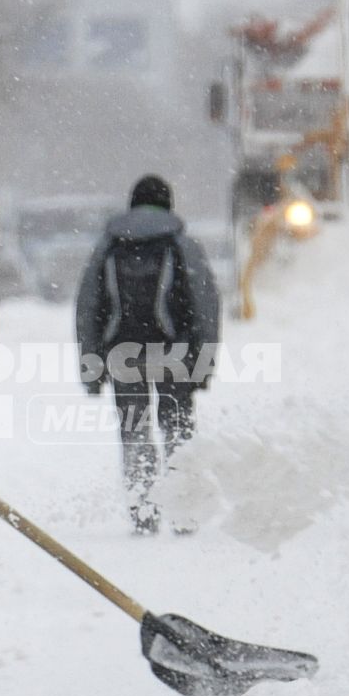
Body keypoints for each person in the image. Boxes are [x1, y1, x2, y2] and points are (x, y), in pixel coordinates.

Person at [75, 175, 223, 534]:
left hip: (123, 355)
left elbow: (89, 308)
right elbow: (205, 304)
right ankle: (184, 514)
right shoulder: (180, 244)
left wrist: (92, 367)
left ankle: (143, 512)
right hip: (176, 355)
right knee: (178, 433)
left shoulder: (109, 246)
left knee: (135, 433)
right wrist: (204, 361)